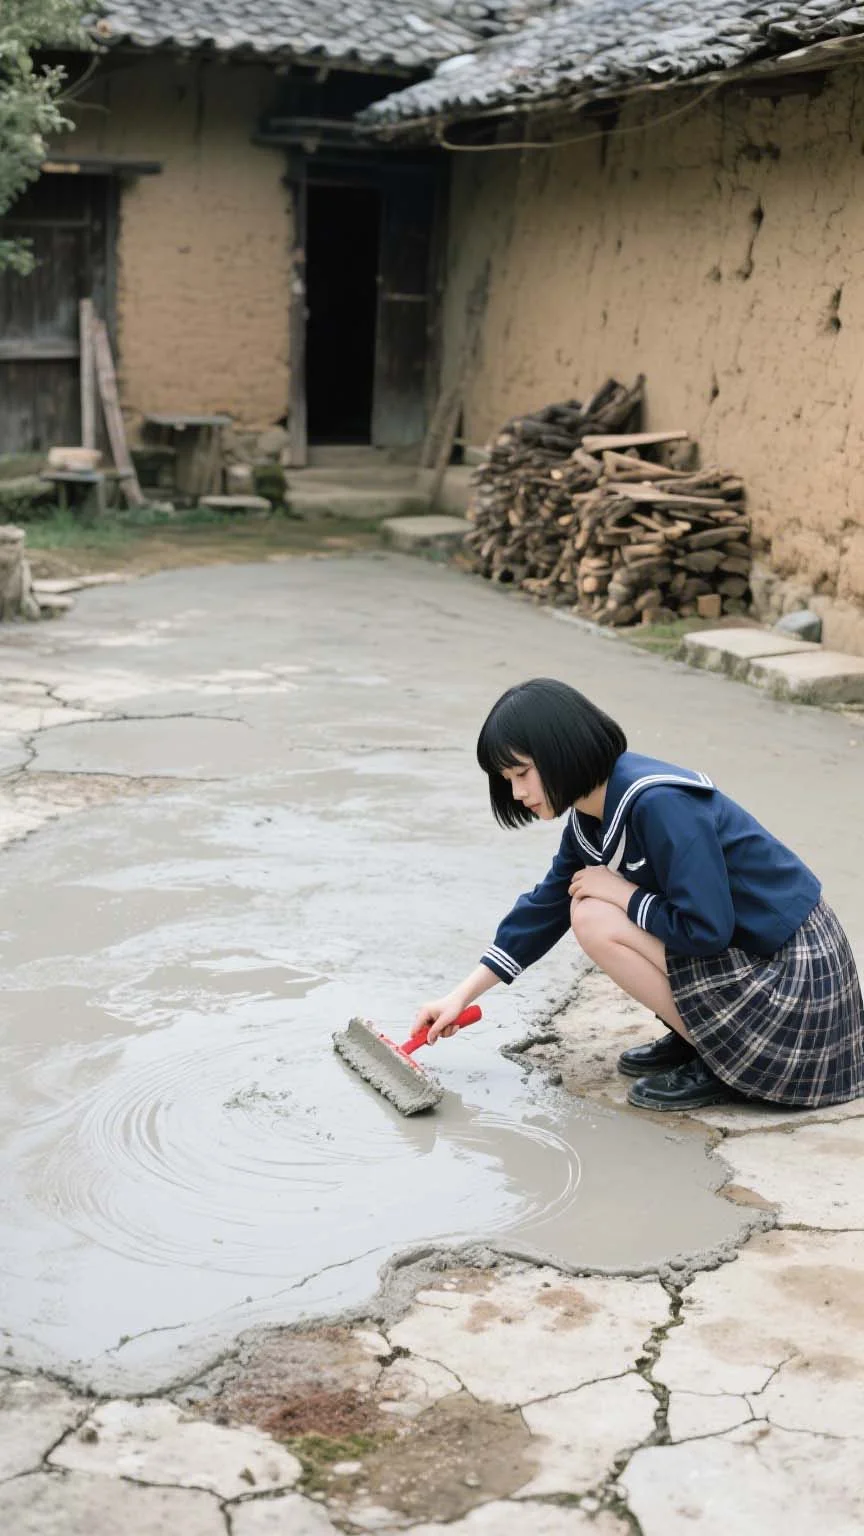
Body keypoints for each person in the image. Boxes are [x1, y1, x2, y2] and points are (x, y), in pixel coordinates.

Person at [417, 677, 864, 1111]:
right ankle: (697, 1036)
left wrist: (622, 892)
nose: (517, 793)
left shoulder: (658, 803)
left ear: (561, 751)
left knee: (594, 915)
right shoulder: (590, 818)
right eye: (506, 778)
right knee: (583, 903)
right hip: (757, 964)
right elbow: (542, 909)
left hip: (799, 990)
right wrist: (460, 997)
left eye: (522, 773)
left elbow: (706, 930)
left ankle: (718, 1057)